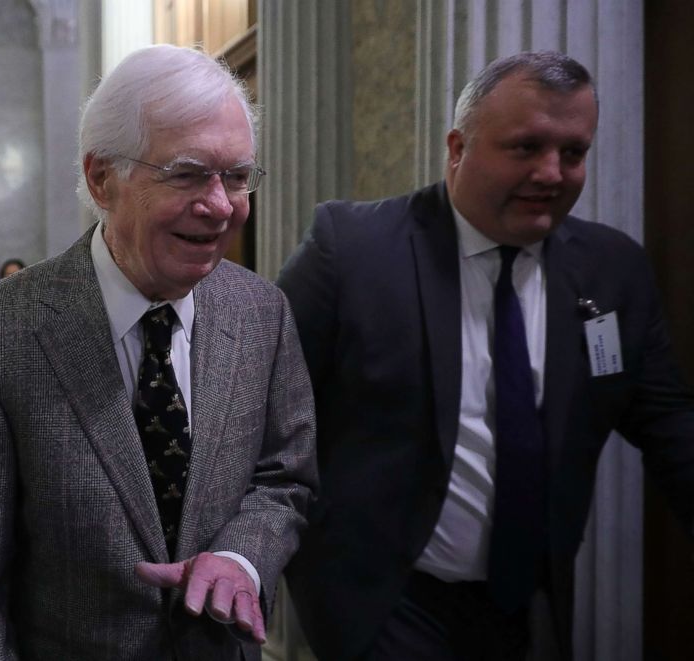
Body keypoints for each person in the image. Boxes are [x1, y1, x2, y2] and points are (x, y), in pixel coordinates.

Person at [279, 51, 694, 661]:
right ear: (457, 149)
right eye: (525, 148)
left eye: (573, 153)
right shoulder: (352, 251)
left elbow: (665, 420)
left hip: (527, 604)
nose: (552, 173)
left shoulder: (612, 270)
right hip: (382, 599)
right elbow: (262, 407)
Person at [0, 44, 317, 659]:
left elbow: (285, 478)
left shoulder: (262, 313)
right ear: (102, 179)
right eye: (187, 173)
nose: (221, 205)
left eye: (238, 176)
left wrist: (243, 557)